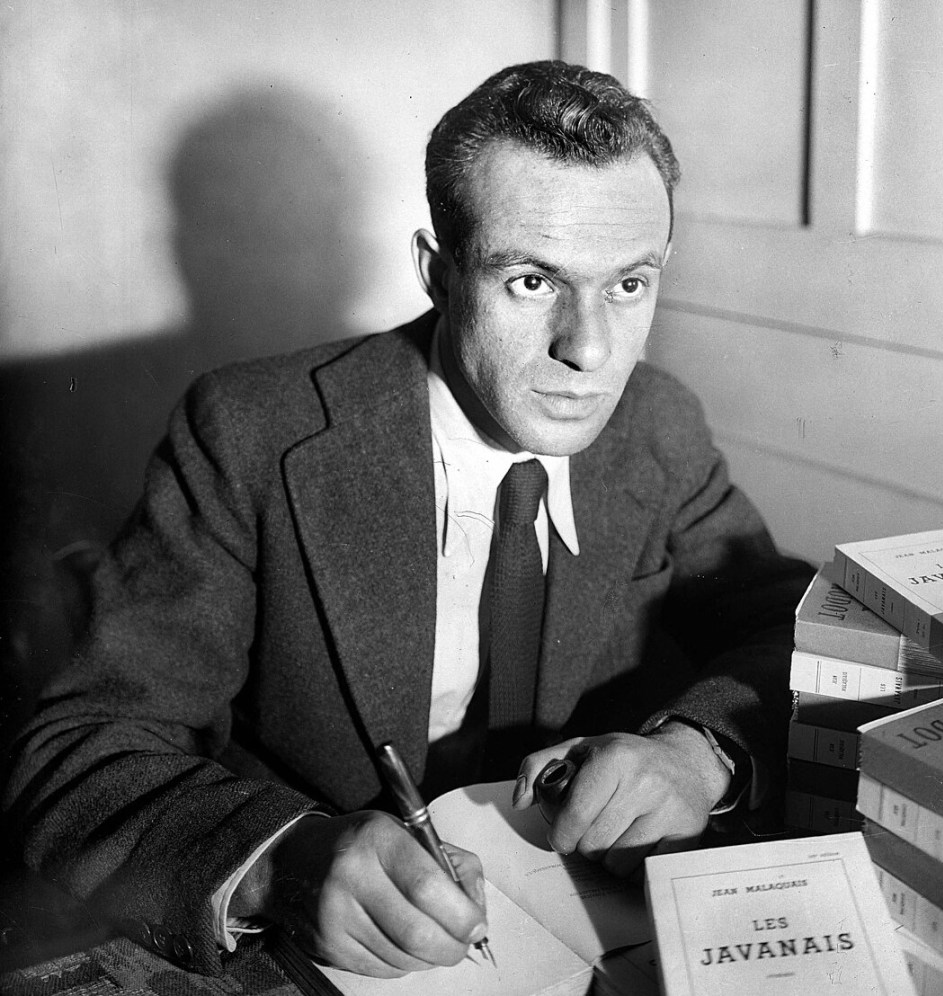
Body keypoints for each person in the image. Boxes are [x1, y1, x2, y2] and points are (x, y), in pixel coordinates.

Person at [3, 61, 812, 979]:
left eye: (628, 285)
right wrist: (280, 862)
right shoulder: (250, 433)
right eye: (531, 282)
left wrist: (698, 754)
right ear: (438, 273)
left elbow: (799, 630)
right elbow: (78, 752)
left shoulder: (658, 423)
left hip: (585, 922)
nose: (589, 350)